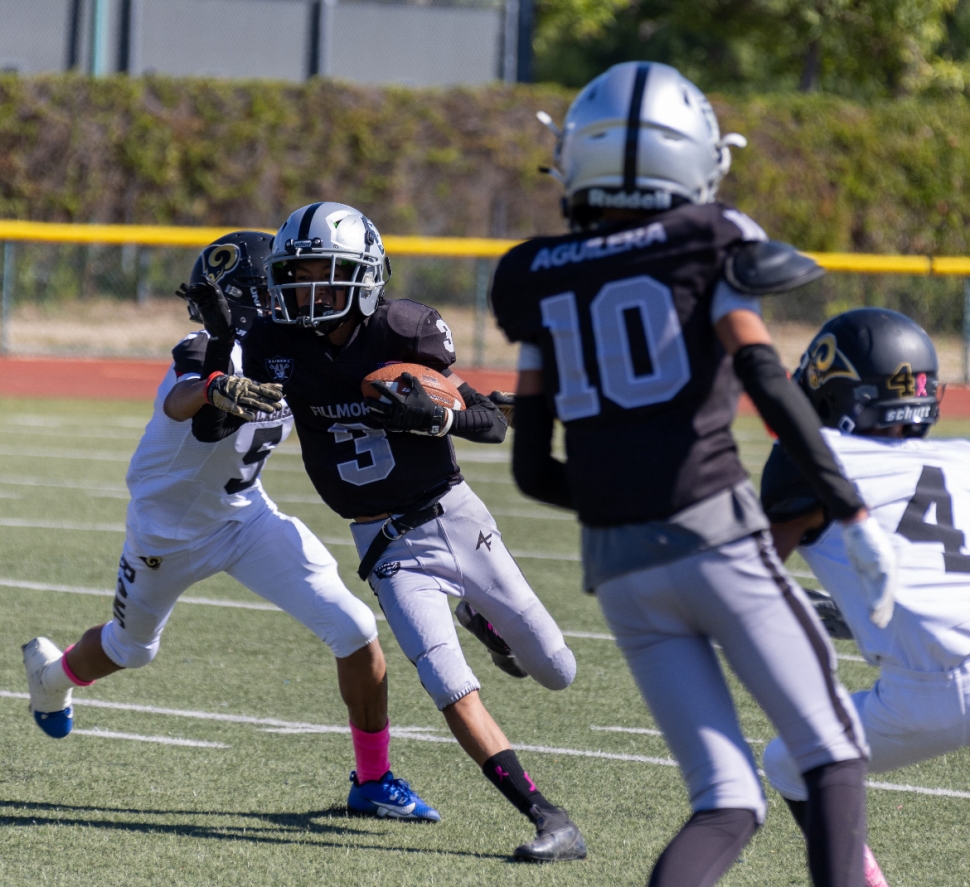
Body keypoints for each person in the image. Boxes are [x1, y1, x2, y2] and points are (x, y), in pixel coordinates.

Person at [490, 61, 899, 887]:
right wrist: (850, 514)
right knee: (831, 751)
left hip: (620, 567)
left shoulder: (533, 274)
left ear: (578, 156)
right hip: (715, 535)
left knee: (726, 801)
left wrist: (625, 500)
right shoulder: (711, 238)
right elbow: (769, 380)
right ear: (695, 156)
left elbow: (533, 469)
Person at [21, 231, 438, 822]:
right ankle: (51, 677)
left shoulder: (297, 351)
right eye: (289, 282)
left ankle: (372, 781)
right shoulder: (202, 348)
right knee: (130, 649)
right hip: (167, 535)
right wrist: (218, 381)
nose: (303, 293)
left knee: (355, 630)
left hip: (246, 518)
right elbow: (187, 402)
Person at [238, 201, 585, 863]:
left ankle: (485, 621)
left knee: (557, 668)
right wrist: (220, 396)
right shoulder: (275, 346)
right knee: (448, 683)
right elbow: (212, 420)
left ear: (363, 276)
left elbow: (490, 423)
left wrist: (439, 415)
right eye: (296, 273)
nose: (305, 289)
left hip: (453, 516)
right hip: (385, 546)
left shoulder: (403, 329)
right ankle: (549, 816)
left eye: (323, 273)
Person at [760, 308, 968, 887]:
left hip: (939, 684)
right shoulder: (960, 457)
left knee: (791, 762)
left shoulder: (815, 464)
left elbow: (751, 579)